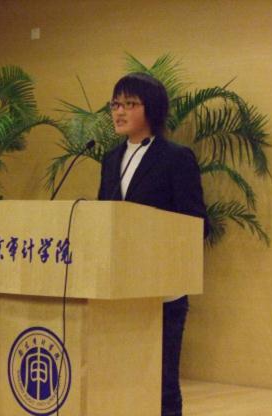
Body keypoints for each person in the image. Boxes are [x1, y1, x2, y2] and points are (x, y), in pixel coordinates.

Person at [97, 72, 208, 416]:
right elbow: (105, 219)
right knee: (120, 381)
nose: (119, 112)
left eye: (130, 104)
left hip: (163, 291)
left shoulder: (176, 157)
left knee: (162, 383)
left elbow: (196, 224)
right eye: (115, 104)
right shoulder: (110, 159)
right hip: (119, 289)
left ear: (152, 109)